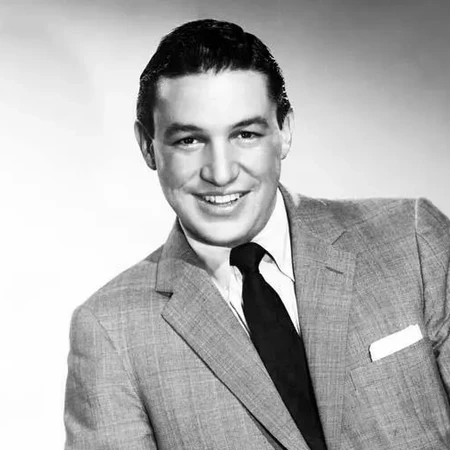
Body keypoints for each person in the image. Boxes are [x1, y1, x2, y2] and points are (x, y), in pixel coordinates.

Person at [64, 19, 450, 450]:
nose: (221, 172)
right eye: (189, 140)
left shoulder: (412, 239)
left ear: (284, 132)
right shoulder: (110, 331)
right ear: (147, 147)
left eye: (245, 134)